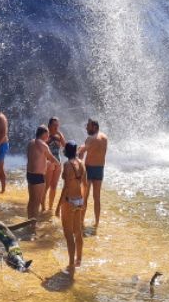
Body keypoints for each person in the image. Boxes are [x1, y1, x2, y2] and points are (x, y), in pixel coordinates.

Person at [55, 141, 85, 275]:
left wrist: (57, 206)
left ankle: (71, 265)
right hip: (79, 200)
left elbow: (66, 187)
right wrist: (83, 201)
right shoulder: (81, 163)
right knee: (78, 231)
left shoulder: (67, 165)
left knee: (68, 234)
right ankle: (79, 260)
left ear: (66, 152)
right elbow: (84, 184)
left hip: (69, 201)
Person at [78, 118, 108, 231]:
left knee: (84, 196)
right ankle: (96, 223)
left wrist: (78, 150)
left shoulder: (90, 138)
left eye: (88, 126)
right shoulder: (105, 137)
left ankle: (81, 222)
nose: (86, 127)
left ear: (94, 127)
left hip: (89, 169)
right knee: (97, 197)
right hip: (100, 169)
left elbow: (81, 152)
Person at [26, 125, 58, 218]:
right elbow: (52, 158)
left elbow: (36, 158)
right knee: (37, 203)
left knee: (31, 200)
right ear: (44, 133)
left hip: (29, 174)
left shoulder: (31, 143)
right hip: (38, 176)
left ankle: (29, 221)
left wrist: (46, 163)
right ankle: (33, 226)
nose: (48, 136)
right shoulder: (43, 145)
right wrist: (59, 165)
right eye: (47, 133)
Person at [45, 116, 66, 211]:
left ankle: (50, 207)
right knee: (47, 185)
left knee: (54, 186)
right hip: (48, 162)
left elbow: (65, 146)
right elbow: (41, 146)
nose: (56, 127)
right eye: (54, 125)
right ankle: (43, 207)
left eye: (57, 125)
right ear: (49, 125)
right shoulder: (45, 134)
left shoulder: (59, 134)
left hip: (58, 161)